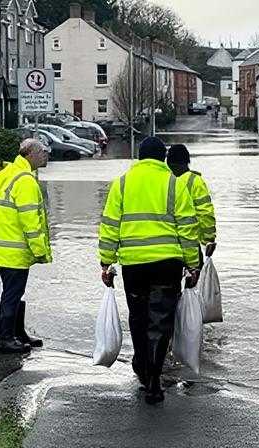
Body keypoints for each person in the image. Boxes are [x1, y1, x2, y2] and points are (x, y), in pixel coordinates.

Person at [98, 136, 200, 404]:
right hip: (167, 265)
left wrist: (106, 262)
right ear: (162, 158)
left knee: (139, 318)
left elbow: (109, 225)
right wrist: (193, 265)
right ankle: (154, 381)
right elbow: (187, 229)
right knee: (161, 321)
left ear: (140, 157)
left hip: (133, 265)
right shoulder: (174, 184)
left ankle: (143, 371)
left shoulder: (121, 184)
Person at [0, 139, 52, 355]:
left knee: (15, 291)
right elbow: (30, 221)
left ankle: (17, 334)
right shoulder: (25, 181)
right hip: (15, 249)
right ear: (30, 155)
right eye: (43, 151)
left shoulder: (12, 174)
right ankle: (5, 339)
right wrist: (40, 250)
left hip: (7, 247)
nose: (46, 154)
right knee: (12, 293)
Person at [166, 144, 217, 263]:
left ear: (168, 163)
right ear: (187, 161)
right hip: (191, 245)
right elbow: (205, 213)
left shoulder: (163, 181)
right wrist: (209, 240)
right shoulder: (195, 181)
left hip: (166, 247)